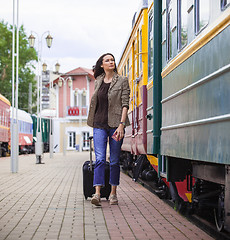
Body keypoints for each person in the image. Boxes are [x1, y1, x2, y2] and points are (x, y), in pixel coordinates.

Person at [87, 53, 130, 206]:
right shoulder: (98, 81)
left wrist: (121, 125)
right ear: (101, 65)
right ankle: (97, 193)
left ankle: (113, 193)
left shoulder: (123, 80)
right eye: (107, 60)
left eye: (112, 60)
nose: (111, 62)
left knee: (113, 161)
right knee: (99, 159)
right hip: (99, 124)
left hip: (115, 126)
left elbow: (125, 104)